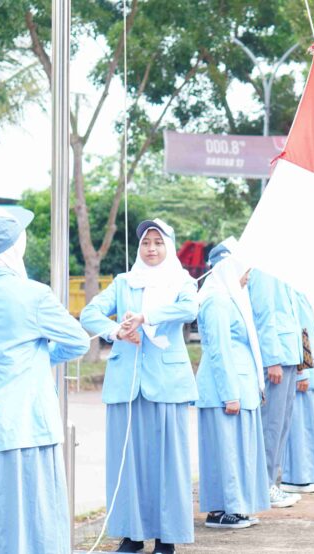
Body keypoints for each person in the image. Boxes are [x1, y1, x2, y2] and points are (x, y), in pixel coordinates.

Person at [80, 219, 198, 554]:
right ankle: (131, 534)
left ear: (169, 246)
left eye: (158, 242)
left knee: (168, 462)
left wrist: (146, 317)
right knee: (127, 461)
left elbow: (191, 308)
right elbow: (90, 313)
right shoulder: (124, 282)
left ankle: (167, 536)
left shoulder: (181, 282)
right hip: (126, 382)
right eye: (146, 242)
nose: (151, 249)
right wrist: (116, 331)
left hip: (167, 383)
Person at [0, 208, 90, 554]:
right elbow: (78, 340)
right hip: (25, 425)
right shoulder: (31, 294)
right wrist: (41, 355)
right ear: (13, 248)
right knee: (32, 521)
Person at [196, 241, 270, 529]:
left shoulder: (231, 299)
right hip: (223, 390)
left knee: (236, 451)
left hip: (239, 387)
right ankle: (224, 509)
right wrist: (230, 395)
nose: (247, 277)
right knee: (225, 451)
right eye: (244, 270)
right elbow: (219, 350)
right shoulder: (216, 301)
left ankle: (233, 507)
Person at [248, 269, 304, 507]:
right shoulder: (264, 271)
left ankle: (272, 482)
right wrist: (272, 359)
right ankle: (264, 485)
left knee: (281, 424)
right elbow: (264, 316)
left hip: (289, 353)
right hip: (278, 356)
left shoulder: (284, 271)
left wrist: (301, 360)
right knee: (271, 424)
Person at [279, 291, 314, 493]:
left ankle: (310, 473)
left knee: (310, 424)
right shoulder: (295, 295)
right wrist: (301, 371)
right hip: (304, 366)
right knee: (298, 425)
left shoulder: (310, 297)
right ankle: (295, 476)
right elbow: (298, 332)